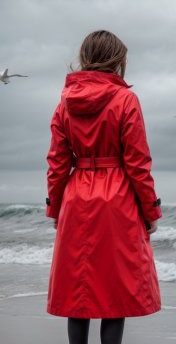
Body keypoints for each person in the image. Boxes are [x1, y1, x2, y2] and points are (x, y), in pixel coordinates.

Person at [45, 30, 162, 344]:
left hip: (75, 195)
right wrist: (151, 211)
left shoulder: (64, 103)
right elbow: (138, 163)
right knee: (115, 292)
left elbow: (57, 163)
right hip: (117, 198)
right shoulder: (126, 100)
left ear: (85, 57)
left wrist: (55, 208)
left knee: (76, 294)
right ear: (117, 60)